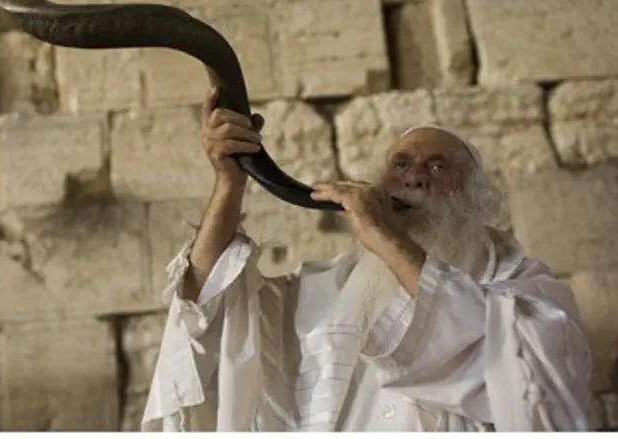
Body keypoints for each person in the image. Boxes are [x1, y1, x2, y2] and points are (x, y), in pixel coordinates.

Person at [140, 87, 593, 432]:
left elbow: (523, 381)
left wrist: (387, 236)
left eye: (437, 167)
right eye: (400, 164)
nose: (413, 177)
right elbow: (210, 304)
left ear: (473, 196)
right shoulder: (327, 286)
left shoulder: (524, 289)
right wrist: (229, 183)